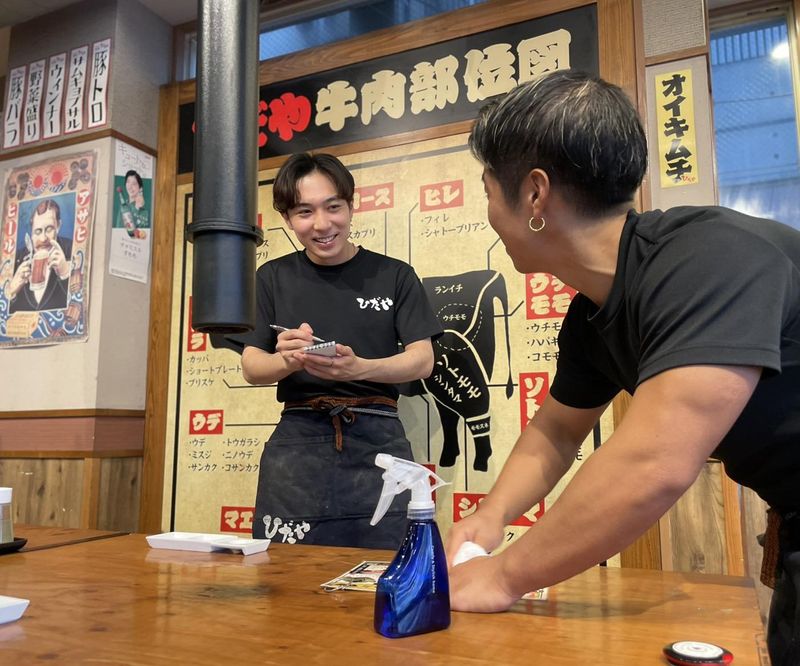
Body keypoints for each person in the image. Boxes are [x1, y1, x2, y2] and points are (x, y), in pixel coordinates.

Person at [444, 70, 800, 666]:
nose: (489, 213)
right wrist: (490, 517)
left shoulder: (710, 258)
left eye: (488, 191)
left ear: (534, 195)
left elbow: (653, 464)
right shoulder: (593, 313)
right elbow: (557, 431)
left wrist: (503, 577)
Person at [236, 152, 442, 549]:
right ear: (287, 218)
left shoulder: (394, 274)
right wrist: (287, 360)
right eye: (304, 212)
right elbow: (252, 366)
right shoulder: (272, 277)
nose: (322, 224)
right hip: (298, 443)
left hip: (380, 442)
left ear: (350, 205)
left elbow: (422, 360)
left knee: (384, 565)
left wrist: (358, 368)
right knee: (286, 571)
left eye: (333, 207)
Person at [7, 198, 71, 313]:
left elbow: (77, 306)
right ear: (31, 232)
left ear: (58, 226)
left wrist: (65, 273)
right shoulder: (17, 258)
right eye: (37, 231)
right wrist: (11, 291)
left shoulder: (70, 249)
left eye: (49, 229)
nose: (43, 238)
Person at [117, 169, 149, 238]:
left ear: (140, 188)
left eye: (134, 184)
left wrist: (136, 208)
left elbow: (140, 235)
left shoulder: (144, 211)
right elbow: (118, 231)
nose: (130, 186)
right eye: (128, 182)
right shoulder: (123, 207)